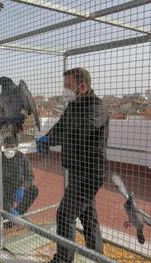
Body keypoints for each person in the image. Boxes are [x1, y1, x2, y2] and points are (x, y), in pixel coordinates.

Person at [37, 68, 109, 263]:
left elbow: (80, 133)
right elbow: (61, 126)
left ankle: (62, 260)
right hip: (77, 171)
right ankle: (98, 256)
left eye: (68, 86)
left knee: (65, 215)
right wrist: (47, 138)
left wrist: (52, 141)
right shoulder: (72, 105)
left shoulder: (97, 107)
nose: (65, 91)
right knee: (88, 216)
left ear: (83, 86)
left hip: (90, 173)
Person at [0, 135, 39, 225]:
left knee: (34, 190)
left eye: (12, 147)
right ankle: (5, 211)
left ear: (16, 147)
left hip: (18, 188)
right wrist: (8, 208)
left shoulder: (22, 158)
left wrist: (23, 187)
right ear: (4, 147)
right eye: (7, 146)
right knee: (8, 225)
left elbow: (30, 176)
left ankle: (19, 212)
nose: (9, 149)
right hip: (3, 192)